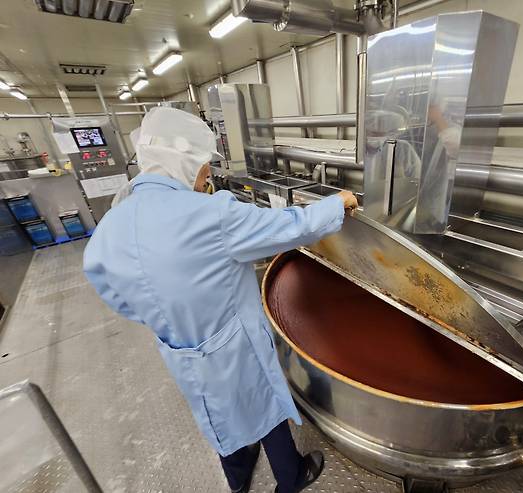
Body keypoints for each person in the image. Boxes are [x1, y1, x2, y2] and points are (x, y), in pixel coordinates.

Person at [83, 107, 358, 493]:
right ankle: (292, 477)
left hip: (179, 347)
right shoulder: (211, 214)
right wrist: (337, 202)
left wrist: (163, 317)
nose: (207, 175)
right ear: (183, 162)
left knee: (215, 413)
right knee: (264, 407)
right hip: (233, 344)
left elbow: (112, 291)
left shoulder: (112, 223)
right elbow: (289, 226)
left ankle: (239, 478)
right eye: (202, 166)